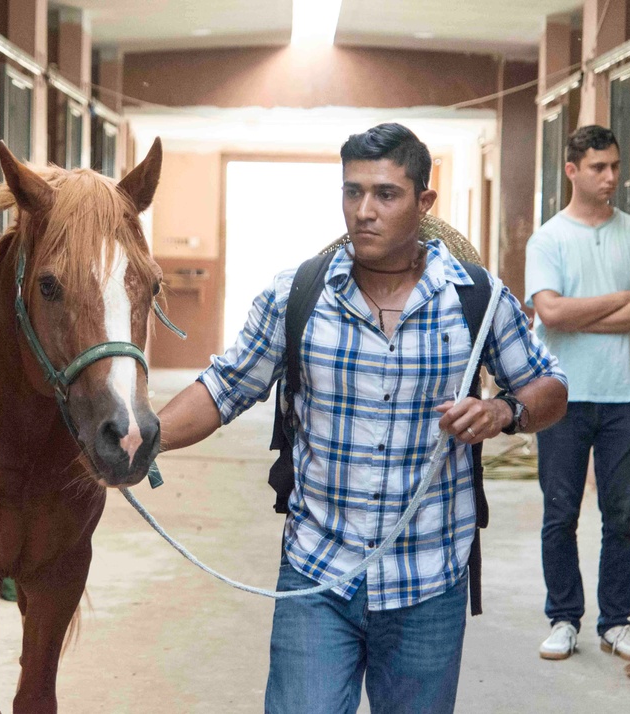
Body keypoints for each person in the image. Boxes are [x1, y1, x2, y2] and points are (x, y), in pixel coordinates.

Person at [158, 123, 568, 714]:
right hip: (317, 573)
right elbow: (225, 387)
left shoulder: (477, 300)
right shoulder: (297, 295)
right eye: (352, 192)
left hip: (430, 576)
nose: (364, 211)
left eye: (385, 194)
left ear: (424, 202)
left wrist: (505, 409)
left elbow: (550, 387)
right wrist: (145, 440)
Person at [525, 125, 630, 662]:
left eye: (614, 166)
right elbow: (550, 312)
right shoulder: (549, 238)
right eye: (598, 167)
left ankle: (616, 622)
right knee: (560, 513)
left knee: (623, 516)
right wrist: (620, 298)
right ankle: (563, 618)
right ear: (572, 171)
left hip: (627, 397)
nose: (610, 177)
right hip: (560, 396)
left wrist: (579, 315)